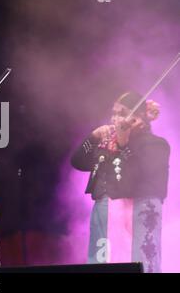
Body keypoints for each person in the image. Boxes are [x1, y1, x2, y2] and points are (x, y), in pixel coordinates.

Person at [71, 92, 170, 273]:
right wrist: (93, 137)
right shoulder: (108, 144)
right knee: (103, 263)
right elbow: (78, 161)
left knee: (140, 264)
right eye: (114, 113)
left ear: (138, 117)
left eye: (122, 113)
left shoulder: (156, 144)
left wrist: (124, 144)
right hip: (106, 216)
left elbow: (136, 177)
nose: (116, 118)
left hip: (137, 217)